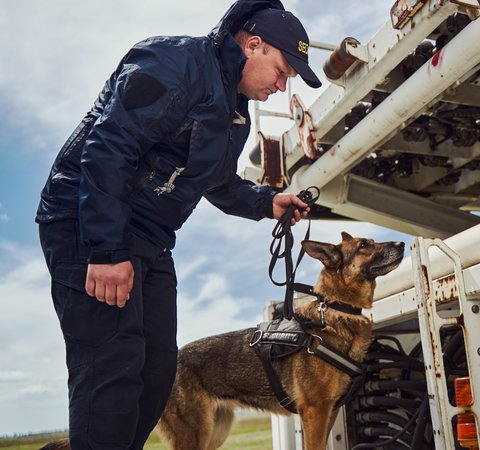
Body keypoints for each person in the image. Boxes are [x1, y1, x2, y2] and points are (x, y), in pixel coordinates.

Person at [35, 1, 321, 448]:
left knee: (155, 373)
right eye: (282, 71)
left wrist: (268, 202)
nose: (282, 86)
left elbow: (218, 183)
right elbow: (108, 147)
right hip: (87, 223)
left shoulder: (235, 115)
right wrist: (106, 250)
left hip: (150, 239)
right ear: (253, 45)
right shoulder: (175, 63)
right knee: (112, 368)